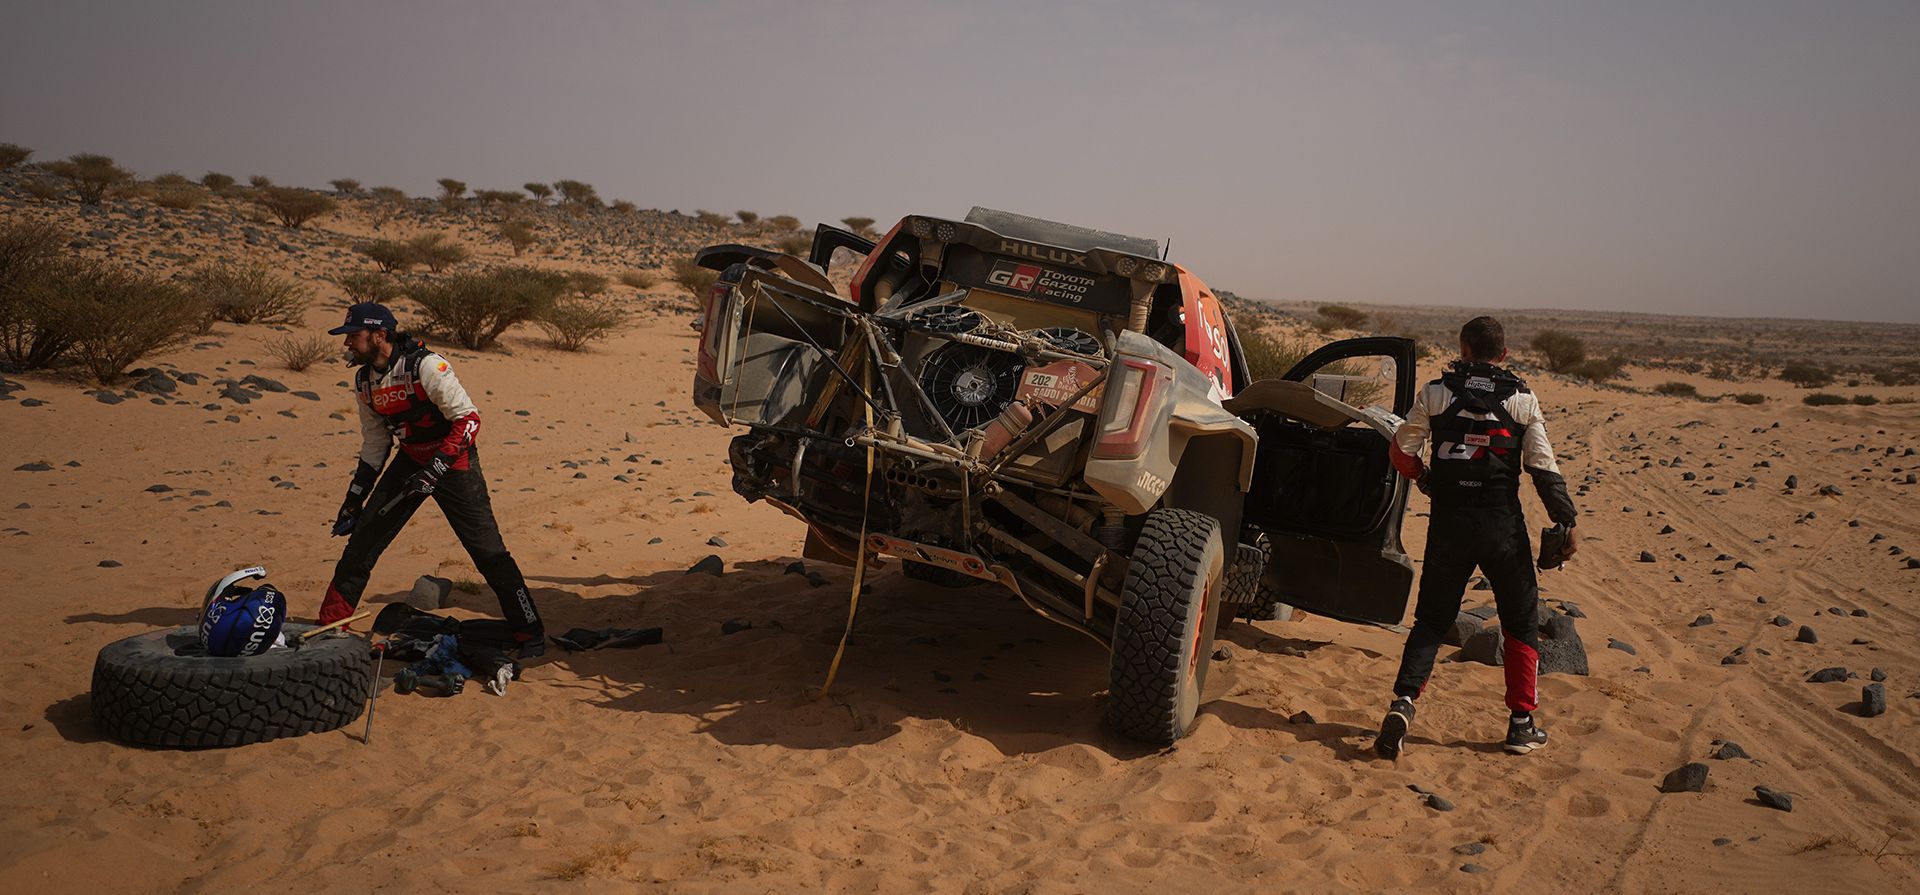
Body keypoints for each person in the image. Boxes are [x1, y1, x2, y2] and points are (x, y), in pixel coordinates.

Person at [1374, 316, 1577, 758]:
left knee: (1430, 619)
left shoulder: (1435, 391)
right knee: (1520, 623)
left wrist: (1425, 478)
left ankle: (1404, 704)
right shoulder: (1523, 398)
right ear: (1503, 355)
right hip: (1502, 525)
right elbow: (1543, 468)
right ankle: (1521, 724)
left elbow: (1400, 452)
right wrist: (1566, 519)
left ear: (1463, 350)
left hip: (1449, 525)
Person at [317, 302, 544, 657]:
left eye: (353, 335)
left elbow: (468, 419)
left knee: (487, 552)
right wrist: (353, 499)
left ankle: (529, 633)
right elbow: (376, 443)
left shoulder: (426, 366)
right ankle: (330, 626)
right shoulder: (364, 381)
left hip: (454, 462)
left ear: (379, 334)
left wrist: (437, 468)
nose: (347, 343)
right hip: (410, 459)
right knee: (362, 543)